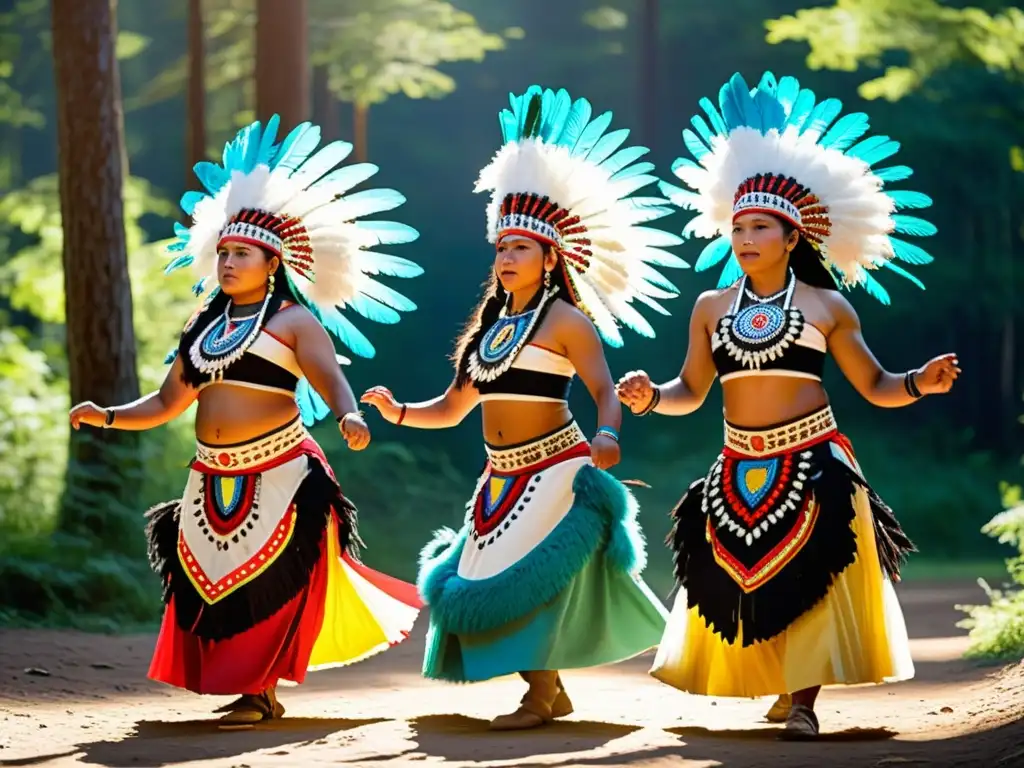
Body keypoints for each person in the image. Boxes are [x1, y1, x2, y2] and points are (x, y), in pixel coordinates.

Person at [616, 71, 960, 740]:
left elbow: (877, 385)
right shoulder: (711, 308)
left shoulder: (828, 307)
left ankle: (803, 703)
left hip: (815, 461)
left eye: (759, 228)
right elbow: (690, 391)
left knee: (815, 580)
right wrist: (650, 396)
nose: (743, 239)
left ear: (791, 238)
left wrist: (920, 380)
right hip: (739, 463)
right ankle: (777, 686)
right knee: (741, 581)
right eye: (737, 227)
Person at [69, 115, 424, 725]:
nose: (229, 262)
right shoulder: (202, 328)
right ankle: (247, 688)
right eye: (224, 252)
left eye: (243, 254)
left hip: (283, 471)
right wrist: (104, 415)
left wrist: (349, 415)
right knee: (212, 579)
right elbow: (164, 404)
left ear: (273, 261)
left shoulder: (293, 321)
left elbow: (330, 381)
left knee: (269, 583)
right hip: (210, 474)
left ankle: (260, 692)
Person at [360, 85, 688, 731]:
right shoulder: (487, 329)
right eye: (502, 248)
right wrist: (397, 411)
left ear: (550, 257)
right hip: (498, 476)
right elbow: (453, 409)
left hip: (557, 467)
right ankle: (548, 690)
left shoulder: (566, 320)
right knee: (482, 582)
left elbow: (601, 388)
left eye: (521, 249)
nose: (507, 258)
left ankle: (540, 696)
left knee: (522, 578)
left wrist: (610, 436)